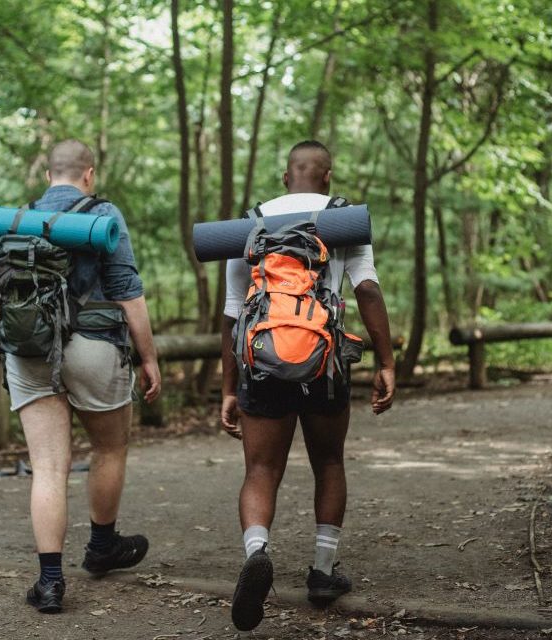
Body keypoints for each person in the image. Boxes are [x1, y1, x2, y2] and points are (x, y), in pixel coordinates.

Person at [219, 140, 396, 631]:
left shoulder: (251, 223)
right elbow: (366, 290)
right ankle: (322, 571)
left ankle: (257, 551)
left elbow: (234, 312)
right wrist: (386, 361)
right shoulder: (344, 221)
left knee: (260, 469)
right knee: (329, 461)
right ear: (327, 177)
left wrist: (228, 388)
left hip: (261, 362)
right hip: (325, 363)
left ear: (285, 177)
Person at [5, 139, 161, 614]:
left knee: (48, 467)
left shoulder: (19, 217)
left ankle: (50, 583)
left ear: (48, 174)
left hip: (29, 348)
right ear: (88, 174)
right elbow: (127, 292)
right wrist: (149, 358)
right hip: (93, 347)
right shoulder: (103, 213)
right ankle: (101, 547)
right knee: (109, 447)